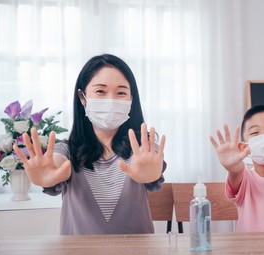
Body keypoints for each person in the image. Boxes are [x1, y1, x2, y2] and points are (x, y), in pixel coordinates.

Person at [13, 54, 166, 235]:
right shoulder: (67, 150)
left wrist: (151, 174)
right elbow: (57, 163)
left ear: (131, 100)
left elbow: (152, 166)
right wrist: (48, 175)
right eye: (101, 91)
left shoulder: (144, 149)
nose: (111, 100)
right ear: (82, 97)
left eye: (121, 93)